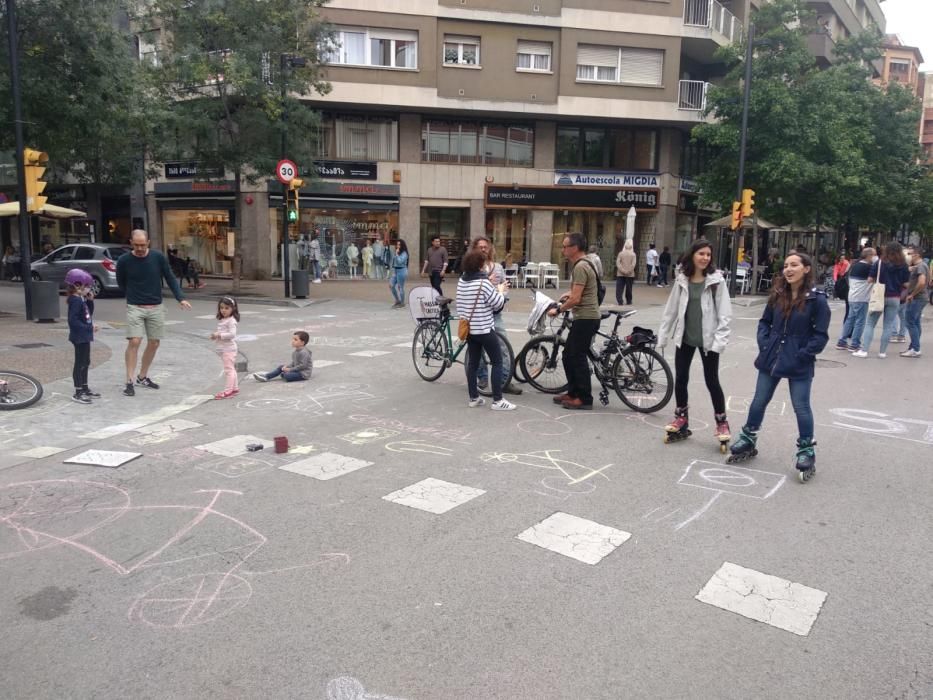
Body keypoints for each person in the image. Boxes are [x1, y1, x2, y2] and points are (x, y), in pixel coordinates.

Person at [728, 252, 830, 483]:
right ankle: (748, 437)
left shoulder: (817, 300)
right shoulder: (777, 294)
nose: (788, 269)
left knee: (801, 406)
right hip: (771, 355)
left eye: (794, 265)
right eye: (786, 265)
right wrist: (765, 343)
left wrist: (803, 354)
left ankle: (806, 450)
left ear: (806, 269)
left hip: (799, 360)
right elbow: (764, 323)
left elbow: (820, 335)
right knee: (759, 400)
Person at [657, 239, 732, 449]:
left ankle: (722, 422)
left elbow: (725, 315)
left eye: (708, 255)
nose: (705, 258)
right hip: (685, 338)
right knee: (681, 378)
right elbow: (671, 310)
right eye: (701, 254)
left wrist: (719, 343)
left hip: (708, 341)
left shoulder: (716, 281)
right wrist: (663, 335)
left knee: (712, 381)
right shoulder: (683, 279)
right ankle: (681, 418)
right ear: (692, 255)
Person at [116, 229, 191, 397]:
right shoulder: (124, 260)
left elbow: (170, 277)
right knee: (134, 341)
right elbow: (121, 281)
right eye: (136, 245)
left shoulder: (158, 258)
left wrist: (180, 298)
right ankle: (129, 380)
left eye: (143, 245)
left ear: (148, 242)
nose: (140, 248)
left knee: (154, 343)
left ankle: (142, 376)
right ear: (131, 243)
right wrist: (131, 295)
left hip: (155, 306)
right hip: (135, 305)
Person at [456, 249, 515, 411]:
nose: (485, 267)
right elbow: (498, 303)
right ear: (479, 266)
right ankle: (497, 400)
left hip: (470, 331)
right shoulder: (483, 283)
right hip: (485, 329)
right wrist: (501, 290)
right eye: (483, 265)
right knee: (497, 361)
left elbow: (460, 305)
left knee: (473, 364)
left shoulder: (462, 281)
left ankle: (474, 397)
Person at [548, 232, 600, 410]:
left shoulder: (580, 267)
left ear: (575, 248)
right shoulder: (586, 263)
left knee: (577, 357)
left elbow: (576, 299)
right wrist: (567, 294)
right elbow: (580, 291)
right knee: (568, 355)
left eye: (565, 246)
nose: (562, 250)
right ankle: (572, 392)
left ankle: (584, 399)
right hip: (585, 317)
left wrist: (558, 309)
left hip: (586, 317)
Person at [472, 236, 522, 396]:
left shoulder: (498, 268)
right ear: (474, 249)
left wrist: (503, 292)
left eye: (485, 247)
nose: (483, 249)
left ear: (490, 249)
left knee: (504, 348)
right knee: (478, 350)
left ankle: (504, 381)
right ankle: (483, 379)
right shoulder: (471, 268)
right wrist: (486, 280)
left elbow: (503, 287)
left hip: (495, 313)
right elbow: (468, 288)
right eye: (480, 247)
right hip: (479, 315)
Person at [853, 241, 910, 359]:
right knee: (888, 325)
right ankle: (882, 352)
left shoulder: (879, 263)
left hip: (879, 296)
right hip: (895, 297)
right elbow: (906, 283)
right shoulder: (903, 265)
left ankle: (864, 350)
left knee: (870, 324)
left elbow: (869, 279)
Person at [65, 269, 99, 404]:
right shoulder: (75, 301)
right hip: (79, 336)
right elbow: (72, 321)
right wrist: (89, 327)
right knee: (80, 363)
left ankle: (84, 388)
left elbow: (87, 314)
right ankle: (78, 391)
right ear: (78, 286)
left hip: (84, 335)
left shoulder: (81, 299)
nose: (89, 289)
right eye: (88, 286)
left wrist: (90, 301)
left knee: (86, 362)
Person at [835, 247, 874, 352]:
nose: (875, 257)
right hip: (862, 297)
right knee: (860, 321)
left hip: (852, 295)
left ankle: (842, 341)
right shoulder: (867, 267)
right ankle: (855, 344)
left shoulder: (854, 265)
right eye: (873, 255)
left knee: (850, 319)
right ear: (869, 256)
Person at [210, 296, 240, 399]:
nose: (223, 310)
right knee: (231, 369)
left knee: (229, 370)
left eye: (227, 308)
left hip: (229, 349)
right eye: (221, 308)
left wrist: (219, 335)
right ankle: (234, 388)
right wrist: (216, 336)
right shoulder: (224, 319)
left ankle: (228, 391)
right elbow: (223, 333)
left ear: (233, 308)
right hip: (224, 348)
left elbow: (232, 334)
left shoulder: (231, 321)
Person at [900, 244, 928, 358]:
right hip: (921, 297)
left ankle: (915, 349)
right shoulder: (922, 266)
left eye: (910, 254)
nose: (909, 256)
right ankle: (913, 347)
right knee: (915, 323)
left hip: (917, 298)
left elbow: (921, 282)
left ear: (916, 255)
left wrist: (912, 294)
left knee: (910, 322)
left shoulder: (920, 266)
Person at [389, 240, 409, 308]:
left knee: (400, 287)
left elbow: (400, 261)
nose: (398, 246)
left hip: (402, 270)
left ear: (402, 246)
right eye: (397, 245)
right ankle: (397, 300)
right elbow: (394, 262)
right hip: (396, 270)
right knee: (391, 285)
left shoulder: (404, 253)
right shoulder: (396, 252)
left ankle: (402, 302)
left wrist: (397, 255)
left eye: (399, 245)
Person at [615, 239, 636, 305]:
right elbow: (633, 264)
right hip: (630, 274)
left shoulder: (620, 253)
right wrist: (629, 271)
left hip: (620, 274)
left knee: (619, 288)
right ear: (631, 247)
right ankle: (629, 301)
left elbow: (618, 263)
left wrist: (622, 270)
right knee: (629, 288)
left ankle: (620, 301)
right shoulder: (633, 254)